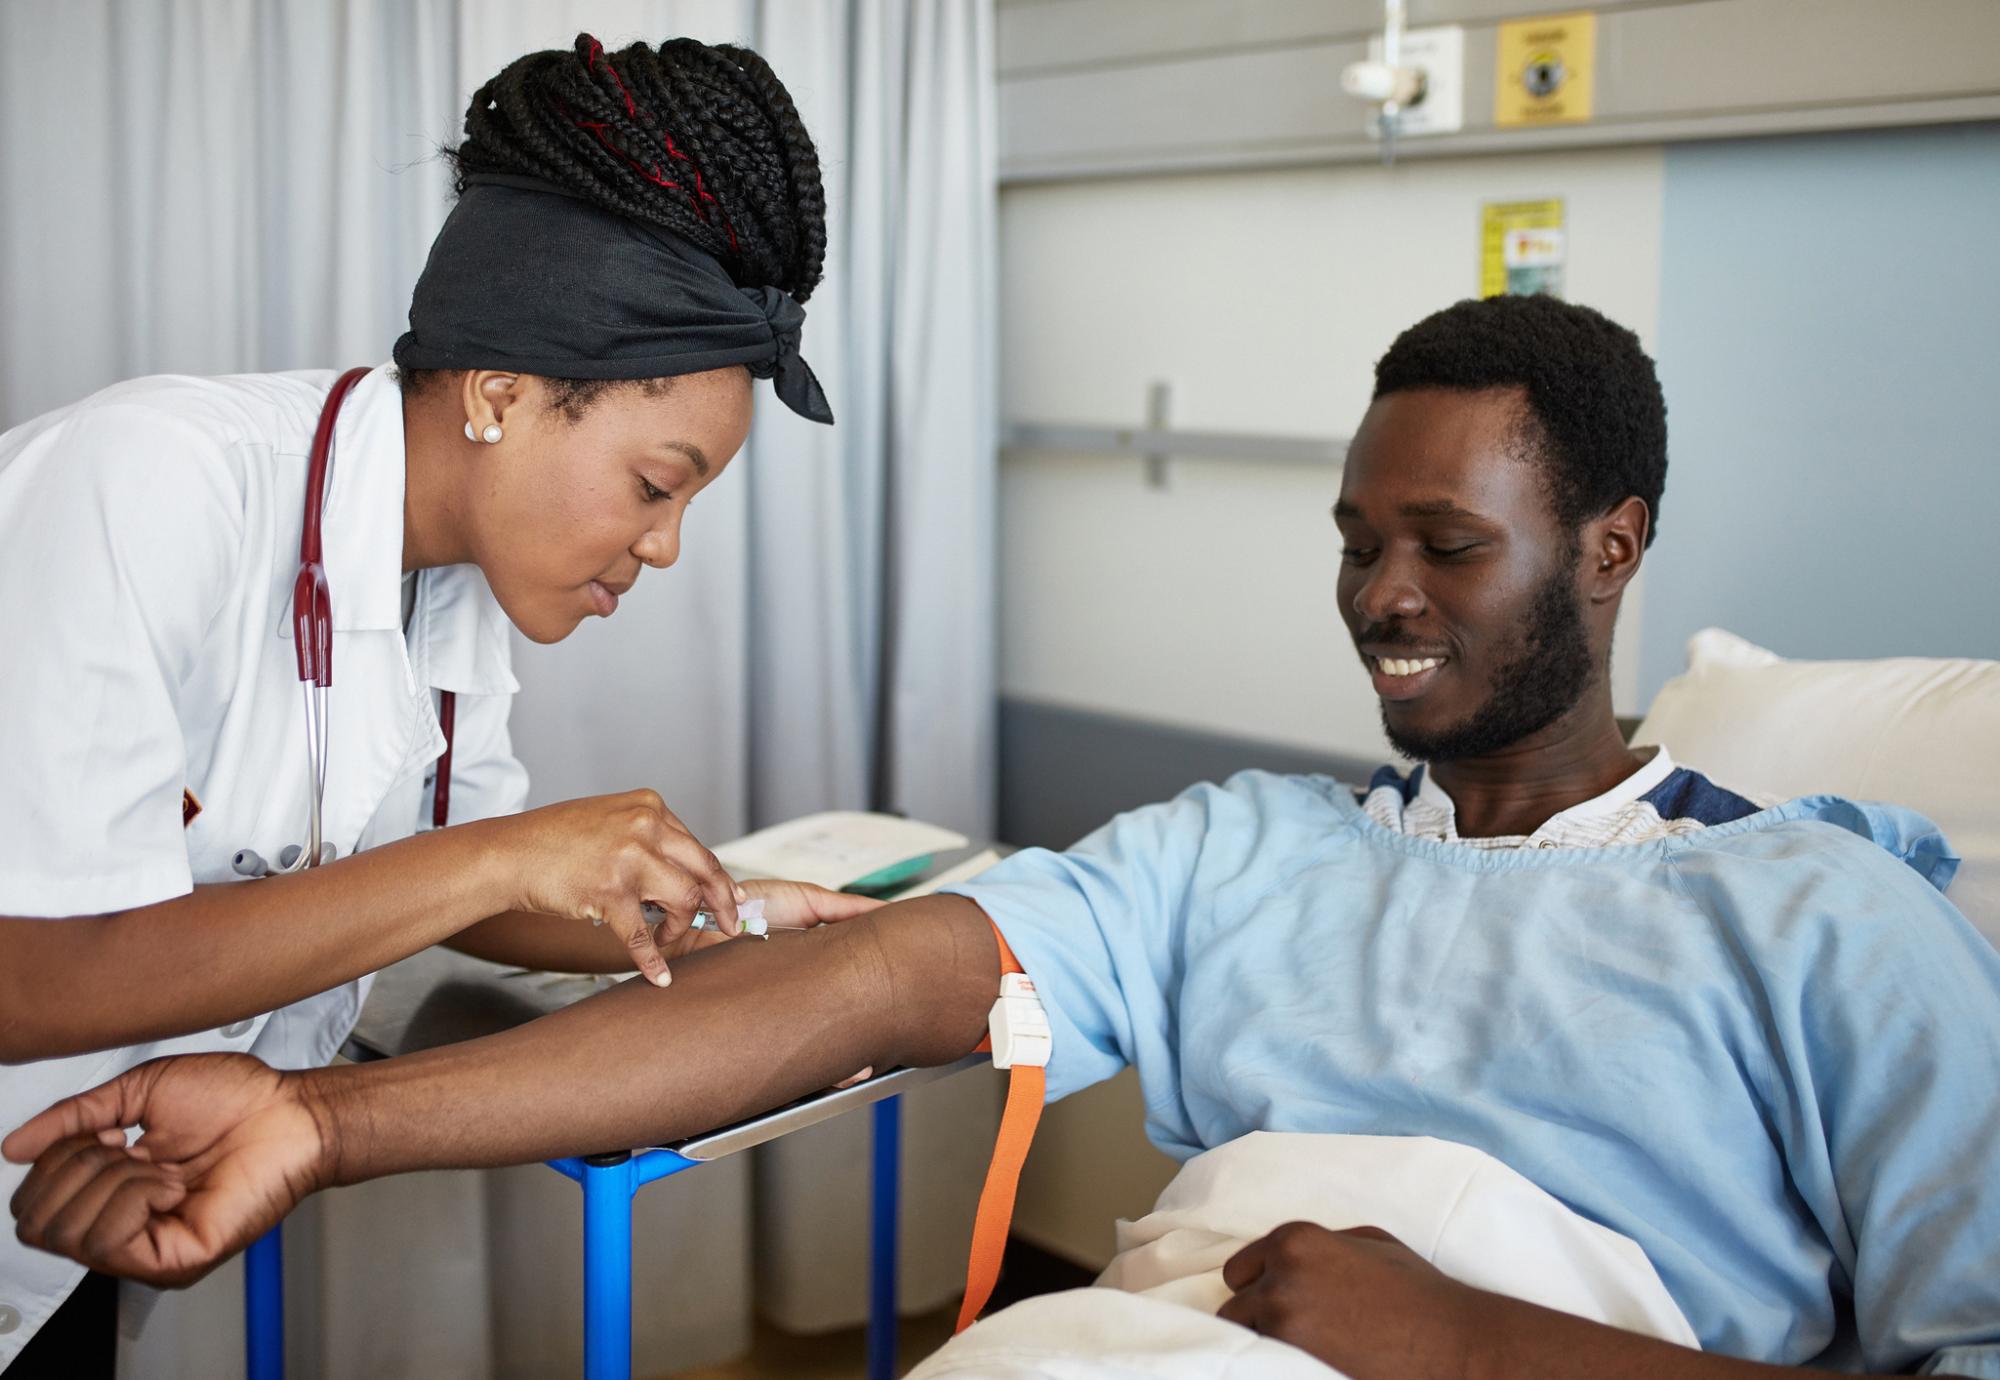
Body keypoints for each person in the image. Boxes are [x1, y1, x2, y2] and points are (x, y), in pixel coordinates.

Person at [11, 297, 2000, 1379]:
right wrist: (320, 1129)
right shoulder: (1250, 852)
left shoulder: (1822, 914)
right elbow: (864, 984)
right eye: (1356, 543)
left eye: (1447, 549)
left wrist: (1472, 1348)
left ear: (1611, 550)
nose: (1380, 598)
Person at [0, 35, 881, 1376]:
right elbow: (26, 975)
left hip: (72, 1218)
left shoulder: (446, 585)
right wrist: (510, 853)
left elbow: (485, 890)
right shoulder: (150, 484)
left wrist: (737, 913)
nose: (664, 549)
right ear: (502, 393)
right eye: (657, 485)